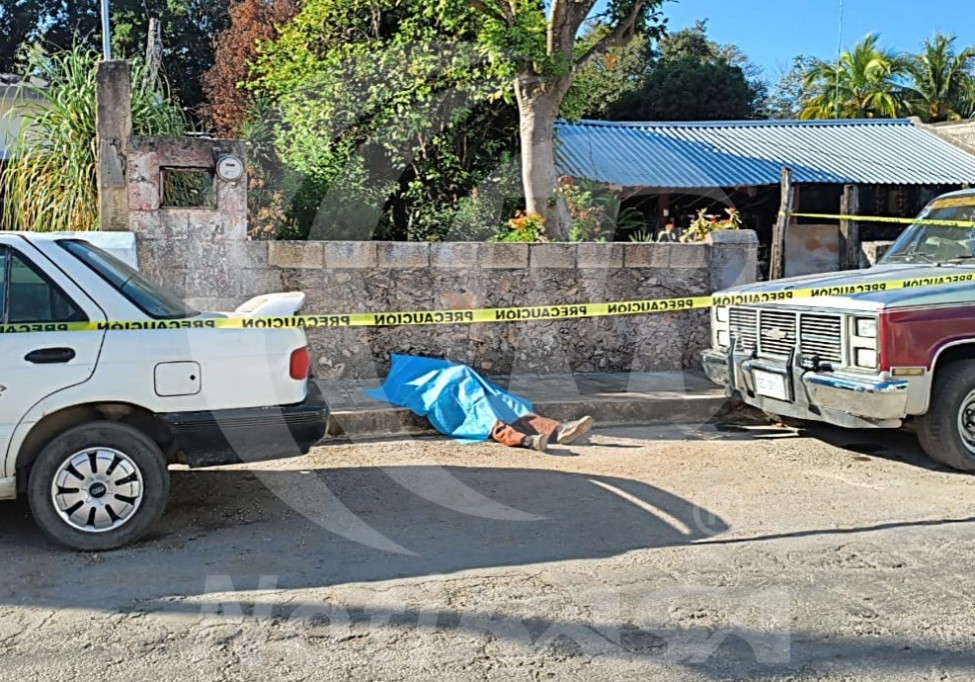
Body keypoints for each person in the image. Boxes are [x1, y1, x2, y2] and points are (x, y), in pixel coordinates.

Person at [363, 354, 595, 452]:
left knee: (501, 401)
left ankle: (557, 429)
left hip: (468, 392)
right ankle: (524, 439)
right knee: (486, 412)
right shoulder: (423, 381)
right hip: (451, 402)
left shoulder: (452, 373)